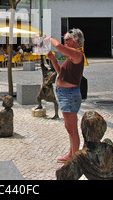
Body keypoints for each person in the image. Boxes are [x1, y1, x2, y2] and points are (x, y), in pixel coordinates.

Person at [44, 28, 85, 163]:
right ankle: (71, 153)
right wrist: (53, 60)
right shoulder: (71, 57)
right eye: (65, 39)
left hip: (69, 94)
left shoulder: (78, 54)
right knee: (69, 127)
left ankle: (75, 158)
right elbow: (60, 72)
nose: (65, 41)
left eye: (68, 39)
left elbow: (58, 46)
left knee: (72, 128)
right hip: (64, 94)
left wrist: (50, 38)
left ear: (75, 41)